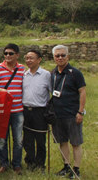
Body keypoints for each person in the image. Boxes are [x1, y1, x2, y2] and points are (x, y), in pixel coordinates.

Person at [51, 45, 86, 179]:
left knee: (75, 142)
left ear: (68, 56)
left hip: (72, 114)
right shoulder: (53, 73)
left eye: (63, 55)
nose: (60, 58)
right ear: (54, 58)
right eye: (57, 56)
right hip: (58, 114)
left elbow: (82, 92)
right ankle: (67, 166)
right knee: (62, 141)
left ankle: (76, 169)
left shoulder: (75, 73)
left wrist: (80, 112)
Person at [0, 43, 25, 174]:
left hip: (17, 109)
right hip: (2, 110)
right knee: (2, 140)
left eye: (11, 53)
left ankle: (17, 164)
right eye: (6, 54)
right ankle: (4, 163)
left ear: (17, 55)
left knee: (18, 140)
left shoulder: (22, 69)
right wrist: (2, 90)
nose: (8, 56)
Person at [22, 49, 51, 171]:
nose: (29, 60)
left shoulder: (46, 75)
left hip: (40, 111)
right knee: (27, 139)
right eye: (27, 58)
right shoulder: (24, 75)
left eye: (32, 58)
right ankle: (30, 162)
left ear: (39, 60)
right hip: (26, 110)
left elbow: (52, 92)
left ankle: (40, 164)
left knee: (40, 139)